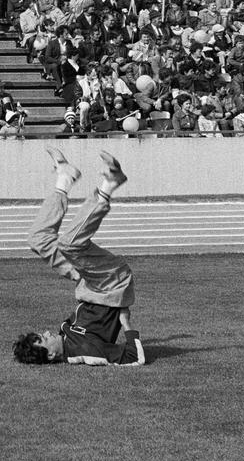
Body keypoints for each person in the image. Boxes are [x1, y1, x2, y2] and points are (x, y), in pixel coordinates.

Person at [13, 148, 145, 367]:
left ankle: (65, 178)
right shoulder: (83, 351)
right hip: (111, 286)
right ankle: (109, 184)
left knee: (38, 240)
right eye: (44, 339)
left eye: (42, 334)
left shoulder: (65, 336)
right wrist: (126, 324)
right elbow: (134, 358)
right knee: (69, 244)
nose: (47, 332)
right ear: (51, 355)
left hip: (89, 284)